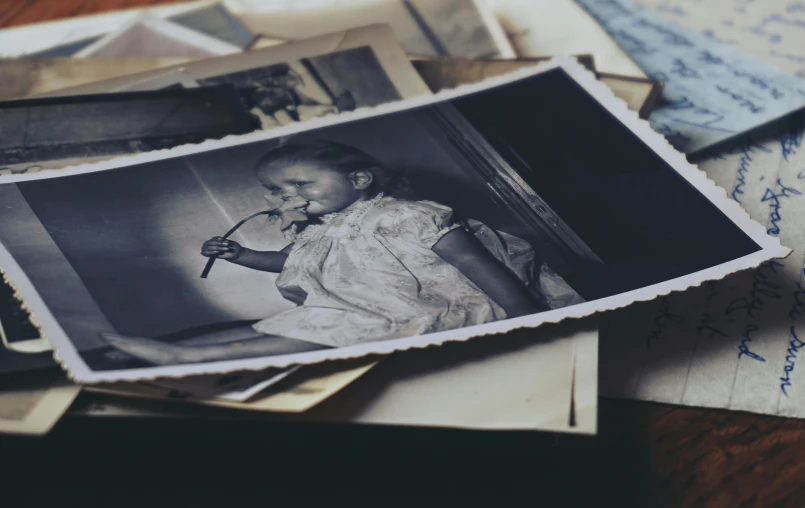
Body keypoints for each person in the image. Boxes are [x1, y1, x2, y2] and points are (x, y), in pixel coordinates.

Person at [102, 141, 580, 365]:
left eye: (300, 183)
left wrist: (521, 314)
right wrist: (240, 254)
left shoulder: (407, 215)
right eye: (274, 188)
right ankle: (181, 354)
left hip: (440, 307)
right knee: (304, 323)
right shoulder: (319, 229)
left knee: (332, 328)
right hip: (369, 306)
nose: (285, 194)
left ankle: (189, 357)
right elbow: (289, 263)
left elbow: (476, 263)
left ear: (359, 180)